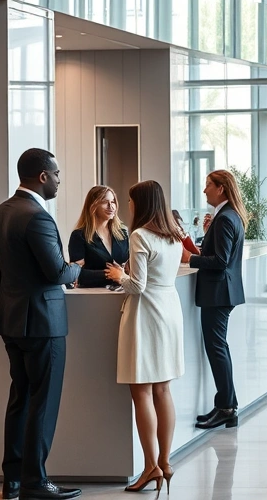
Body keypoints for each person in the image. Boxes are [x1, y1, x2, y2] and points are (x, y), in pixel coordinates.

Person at [0, 148, 83, 500]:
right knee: (42, 404)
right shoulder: (37, 216)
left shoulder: (3, 211)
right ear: (43, 176)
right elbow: (56, 272)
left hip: (11, 320)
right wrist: (75, 267)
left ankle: (12, 480)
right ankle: (35, 482)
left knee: (20, 400)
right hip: (43, 323)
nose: (59, 180)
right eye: (57, 174)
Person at [105, 180, 185, 495]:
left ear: (142, 203)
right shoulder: (174, 234)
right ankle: (165, 462)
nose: (128, 205)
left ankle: (150, 465)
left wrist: (118, 275)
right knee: (163, 390)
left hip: (146, 314)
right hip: (169, 311)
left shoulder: (140, 235)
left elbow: (136, 285)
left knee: (142, 393)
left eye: (130, 200)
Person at [183, 170, 247, 430]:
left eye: (208, 185)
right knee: (219, 348)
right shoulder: (228, 216)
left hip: (218, 292)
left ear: (221, 188)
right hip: (221, 292)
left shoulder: (225, 218)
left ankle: (226, 408)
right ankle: (226, 404)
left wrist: (190, 259)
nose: (204, 190)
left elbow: (220, 261)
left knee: (217, 349)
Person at [68, 185, 130, 288]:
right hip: (92, 296)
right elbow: (76, 274)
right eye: (105, 202)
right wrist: (112, 274)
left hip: (122, 294)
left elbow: (129, 269)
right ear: (93, 205)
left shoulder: (122, 234)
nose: (111, 206)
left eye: (113, 201)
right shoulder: (79, 236)